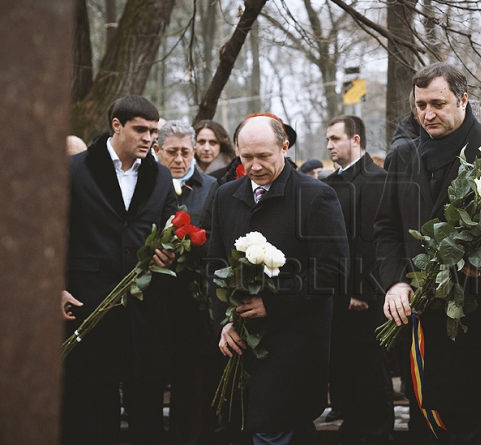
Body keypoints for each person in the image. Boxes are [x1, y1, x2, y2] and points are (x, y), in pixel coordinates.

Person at [375, 62, 481, 444]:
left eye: (438, 103)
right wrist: (395, 283)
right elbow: (385, 230)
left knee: (474, 428)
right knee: (426, 425)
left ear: (463, 100)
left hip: (478, 317)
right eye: (420, 105)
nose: (427, 114)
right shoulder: (404, 156)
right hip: (422, 321)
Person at [208, 114, 349, 444]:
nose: (254, 166)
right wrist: (222, 325)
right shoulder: (225, 195)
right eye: (246, 157)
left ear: (285, 148)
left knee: (274, 427)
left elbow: (333, 272)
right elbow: (213, 268)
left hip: (294, 345)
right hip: (240, 345)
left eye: (264, 156)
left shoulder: (316, 196)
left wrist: (273, 301)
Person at [61, 95, 177, 445]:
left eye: (154, 132)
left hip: (146, 310)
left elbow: (171, 227)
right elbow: (48, 235)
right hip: (89, 304)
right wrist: (55, 288)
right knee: (93, 412)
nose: (149, 138)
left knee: (147, 413)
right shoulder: (73, 170)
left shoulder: (159, 175)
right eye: (141, 129)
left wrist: (169, 254)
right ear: (116, 125)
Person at [323, 115, 394, 444]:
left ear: (355, 140)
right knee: (343, 371)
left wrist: (361, 291)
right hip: (336, 296)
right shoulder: (329, 183)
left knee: (369, 374)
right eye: (327, 139)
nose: (329, 145)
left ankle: (376, 434)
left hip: (364, 298)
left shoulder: (376, 179)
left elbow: (372, 242)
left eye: (335, 139)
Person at [154, 120, 218, 444]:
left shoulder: (212, 187)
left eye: (185, 152)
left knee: (191, 384)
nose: (179, 159)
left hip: (193, 304)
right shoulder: (148, 183)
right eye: (172, 152)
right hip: (152, 300)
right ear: (157, 151)